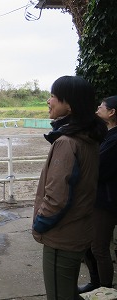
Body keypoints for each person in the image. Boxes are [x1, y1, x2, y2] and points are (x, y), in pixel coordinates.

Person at [32, 76, 107, 299]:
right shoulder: (89, 137)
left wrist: (40, 224)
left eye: (53, 96)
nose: (48, 100)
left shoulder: (67, 142)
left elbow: (57, 198)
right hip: (79, 230)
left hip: (61, 237)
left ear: (70, 104)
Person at [78, 95, 117, 293]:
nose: (97, 108)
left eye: (101, 106)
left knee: (99, 247)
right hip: (100, 197)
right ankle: (96, 283)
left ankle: (105, 290)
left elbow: (99, 169)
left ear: (112, 112)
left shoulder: (114, 139)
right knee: (90, 244)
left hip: (106, 201)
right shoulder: (107, 134)